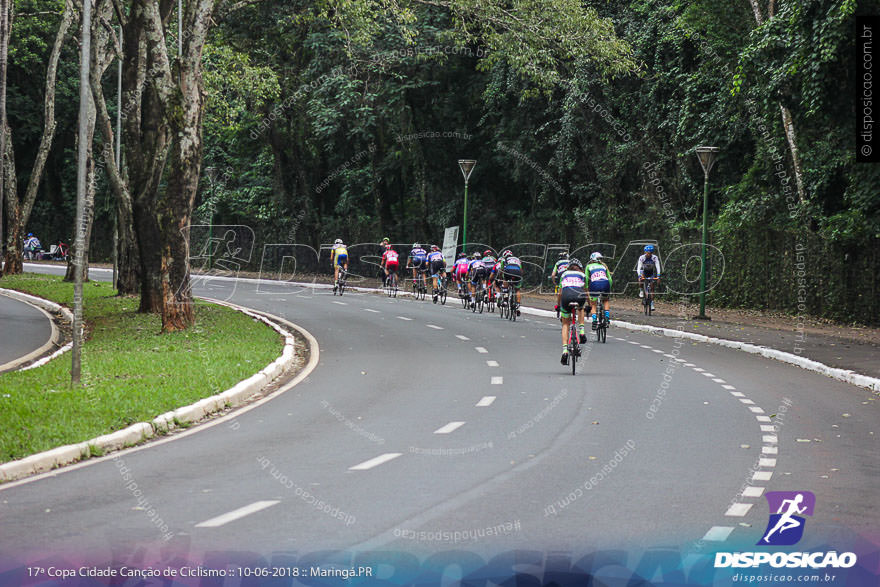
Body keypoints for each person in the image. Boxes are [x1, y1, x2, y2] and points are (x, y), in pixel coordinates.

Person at [557, 258, 588, 365]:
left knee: (565, 323)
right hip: (579, 297)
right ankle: (582, 331)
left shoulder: (564, 274)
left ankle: (565, 350)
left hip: (566, 298)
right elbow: (586, 291)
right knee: (581, 308)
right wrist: (588, 304)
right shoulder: (583, 275)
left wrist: (558, 305)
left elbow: (560, 293)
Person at [586, 252, 612, 327]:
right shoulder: (604, 266)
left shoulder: (589, 266)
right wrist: (609, 288)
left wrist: (587, 288)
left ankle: (594, 321)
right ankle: (607, 318)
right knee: (606, 300)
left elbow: (587, 279)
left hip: (595, 284)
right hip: (605, 283)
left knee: (593, 304)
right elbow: (610, 279)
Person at [637, 245, 661, 311]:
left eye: (650, 253)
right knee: (640, 279)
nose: (648, 254)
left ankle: (652, 303)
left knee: (652, 288)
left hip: (650, 272)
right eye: (647, 252)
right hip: (643, 271)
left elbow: (658, 267)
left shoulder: (655, 258)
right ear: (645, 252)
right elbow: (639, 267)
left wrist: (658, 276)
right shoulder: (642, 257)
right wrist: (639, 275)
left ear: (652, 253)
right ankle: (641, 290)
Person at [500, 250, 523, 315]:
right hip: (517, 273)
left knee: (505, 280)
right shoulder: (517, 259)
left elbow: (501, 270)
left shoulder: (503, 260)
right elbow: (521, 270)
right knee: (517, 289)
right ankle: (518, 305)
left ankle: (505, 299)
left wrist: (501, 278)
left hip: (508, 272)